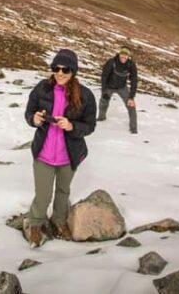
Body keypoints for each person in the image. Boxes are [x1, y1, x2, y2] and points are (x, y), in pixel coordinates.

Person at [24, 48, 97, 248]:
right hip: (44, 154)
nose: (60, 73)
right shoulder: (42, 88)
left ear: (73, 71)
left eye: (65, 69)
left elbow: (90, 126)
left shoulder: (86, 96)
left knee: (63, 191)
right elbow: (29, 113)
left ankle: (58, 220)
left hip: (69, 155)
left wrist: (72, 126)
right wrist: (35, 119)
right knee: (43, 194)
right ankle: (36, 225)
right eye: (56, 68)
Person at [99, 47, 139, 133]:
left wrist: (131, 97)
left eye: (125, 57)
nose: (123, 58)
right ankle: (101, 117)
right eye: (122, 56)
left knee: (131, 105)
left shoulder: (131, 65)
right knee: (103, 102)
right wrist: (104, 91)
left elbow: (134, 81)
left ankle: (133, 128)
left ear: (128, 57)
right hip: (109, 86)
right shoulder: (111, 62)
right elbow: (104, 76)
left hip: (122, 87)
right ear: (119, 55)